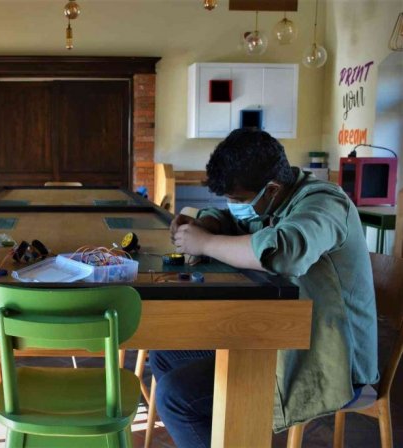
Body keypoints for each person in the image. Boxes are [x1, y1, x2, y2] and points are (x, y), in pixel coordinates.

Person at [152, 128, 378, 447]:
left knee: (176, 396)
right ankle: (227, 435)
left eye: (237, 200)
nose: (233, 206)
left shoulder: (325, 203)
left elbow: (285, 251)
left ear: (271, 189)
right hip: (279, 334)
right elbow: (239, 223)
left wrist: (206, 243)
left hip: (329, 359)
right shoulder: (273, 200)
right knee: (165, 354)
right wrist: (207, 223)